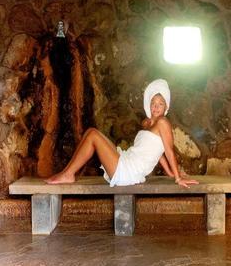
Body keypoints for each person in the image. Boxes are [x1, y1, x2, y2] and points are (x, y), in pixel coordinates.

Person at [45, 79, 198, 188]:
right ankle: (67, 173)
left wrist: (177, 177)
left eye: (160, 104)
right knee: (90, 132)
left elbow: (168, 150)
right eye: (153, 103)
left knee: (93, 134)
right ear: (149, 105)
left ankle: (68, 174)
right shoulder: (148, 123)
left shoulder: (163, 122)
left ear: (166, 107)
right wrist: (170, 173)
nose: (156, 107)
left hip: (129, 170)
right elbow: (159, 152)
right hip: (127, 159)